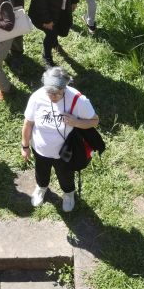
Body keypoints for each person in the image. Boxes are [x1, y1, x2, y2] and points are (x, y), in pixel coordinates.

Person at [22, 66, 99, 211]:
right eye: (49, 92)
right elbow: (28, 123)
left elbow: (94, 121)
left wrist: (75, 122)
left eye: (57, 93)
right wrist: (25, 146)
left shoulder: (78, 100)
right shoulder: (37, 97)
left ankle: (69, 194)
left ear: (65, 87)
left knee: (66, 176)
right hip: (40, 149)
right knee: (41, 171)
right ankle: (42, 187)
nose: (52, 97)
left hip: (65, 152)